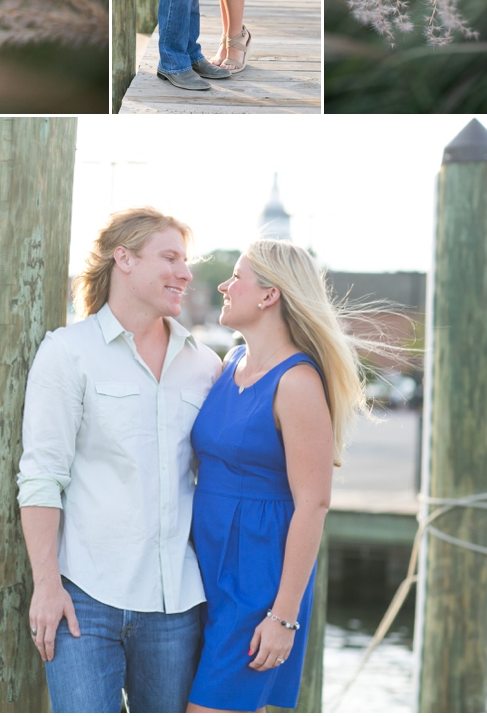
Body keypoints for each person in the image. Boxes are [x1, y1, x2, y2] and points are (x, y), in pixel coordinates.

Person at [17, 207, 222, 712]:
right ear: (123, 258)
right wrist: (46, 585)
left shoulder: (206, 366)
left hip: (177, 605)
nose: (185, 272)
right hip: (84, 599)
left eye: (186, 260)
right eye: (170, 257)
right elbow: (42, 477)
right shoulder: (68, 353)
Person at [187, 239, 368, 712]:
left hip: (256, 579)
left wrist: (283, 616)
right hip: (203, 569)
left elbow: (314, 503)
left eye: (237, 277)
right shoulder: (230, 365)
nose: (224, 286)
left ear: (270, 295)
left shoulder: (297, 382)